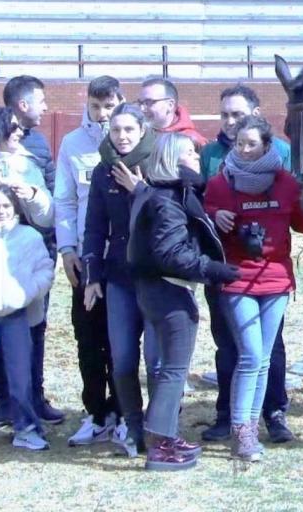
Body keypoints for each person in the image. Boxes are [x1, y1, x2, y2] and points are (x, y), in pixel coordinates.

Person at [204, 115, 303, 460]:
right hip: (237, 279)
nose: (243, 150)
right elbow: (202, 220)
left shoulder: (286, 183)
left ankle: (250, 428)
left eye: (251, 144)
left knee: (262, 359)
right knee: (251, 355)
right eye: (239, 143)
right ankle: (241, 431)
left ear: (267, 147)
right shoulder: (219, 184)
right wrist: (215, 218)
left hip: (275, 280)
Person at [128, 133, 240, 471]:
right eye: (190, 152)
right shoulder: (166, 200)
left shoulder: (170, 194)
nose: (197, 156)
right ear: (173, 160)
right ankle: (160, 445)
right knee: (174, 370)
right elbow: (171, 254)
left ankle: (166, 436)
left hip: (161, 289)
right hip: (168, 290)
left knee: (171, 369)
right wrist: (216, 270)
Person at [198, 85, 295, 444]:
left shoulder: (283, 159)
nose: (229, 123)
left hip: (273, 276)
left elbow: (300, 211)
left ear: (255, 115)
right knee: (231, 345)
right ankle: (232, 419)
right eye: (224, 115)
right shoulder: (211, 156)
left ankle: (273, 412)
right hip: (228, 269)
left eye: (236, 115)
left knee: (267, 351)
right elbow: (201, 202)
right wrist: (214, 215)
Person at [81, 102, 159, 457]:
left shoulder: (159, 162)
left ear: (142, 130)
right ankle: (132, 423)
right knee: (123, 358)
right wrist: (92, 275)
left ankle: (160, 428)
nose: (122, 136)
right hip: (118, 277)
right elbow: (95, 226)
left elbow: (175, 216)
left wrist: (142, 190)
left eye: (129, 129)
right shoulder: (102, 171)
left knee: (158, 362)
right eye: (116, 130)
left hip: (159, 277)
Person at [55, 75, 124, 447]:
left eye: (109, 106)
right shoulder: (72, 143)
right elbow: (65, 201)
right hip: (87, 258)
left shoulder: (131, 140)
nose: (101, 114)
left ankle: (126, 412)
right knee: (88, 339)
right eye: (96, 106)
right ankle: (96, 413)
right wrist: (67, 249)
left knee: (124, 342)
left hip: (124, 258)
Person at [0, 76, 64, 426]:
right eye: (40, 100)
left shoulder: (36, 146)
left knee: (35, 327)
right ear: (22, 105)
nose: (46, 107)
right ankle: (5, 399)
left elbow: (51, 196)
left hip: (35, 249)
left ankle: (34, 396)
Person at [0, 185, 54, 451]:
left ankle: (26, 428)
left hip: (18, 315)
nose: (1, 211)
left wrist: (25, 293)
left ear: (15, 208)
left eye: (6, 206)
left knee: (20, 375)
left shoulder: (29, 237)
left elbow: (45, 271)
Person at [136, 77, 207, 149]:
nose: (142, 108)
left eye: (149, 102)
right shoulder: (136, 137)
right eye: (140, 103)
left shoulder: (193, 141)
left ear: (170, 105)